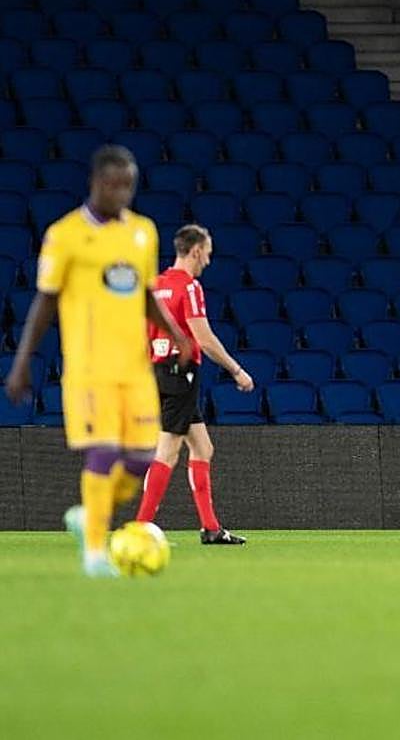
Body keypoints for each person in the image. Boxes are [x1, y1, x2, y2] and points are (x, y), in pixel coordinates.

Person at [2, 145, 192, 577]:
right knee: (103, 453)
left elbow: (144, 294)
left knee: (144, 460)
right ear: (96, 183)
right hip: (90, 369)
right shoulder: (65, 234)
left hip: (135, 368)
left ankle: (89, 514)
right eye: (114, 185)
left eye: (129, 185)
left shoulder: (143, 232)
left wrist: (176, 332)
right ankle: (94, 554)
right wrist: (23, 360)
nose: (122, 193)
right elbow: (45, 301)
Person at [136, 224, 254, 544]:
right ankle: (140, 528)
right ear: (196, 250)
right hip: (180, 372)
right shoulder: (189, 287)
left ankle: (211, 528)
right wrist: (236, 370)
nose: (208, 262)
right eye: (208, 254)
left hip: (158, 371)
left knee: (203, 447)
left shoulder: (156, 285)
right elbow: (203, 338)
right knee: (168, 451)